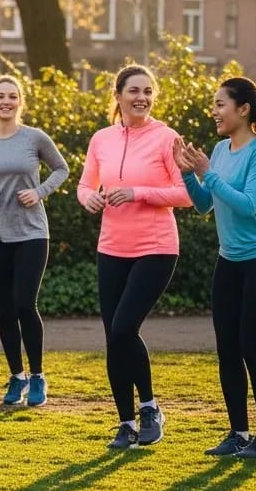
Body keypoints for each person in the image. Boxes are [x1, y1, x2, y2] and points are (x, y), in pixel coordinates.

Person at [174, 77, 256, 460]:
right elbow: (206, 204)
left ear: (244, 109)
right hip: (230, 260)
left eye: (220, 103)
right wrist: (188, 173)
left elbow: (247, 205)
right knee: (227, 349)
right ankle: (238, 434)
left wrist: (207, 172)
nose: (214, 111)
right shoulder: (220, 150)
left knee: (252, 347)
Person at [77, 64, 191, 449]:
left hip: (156, 246)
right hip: (112, 246)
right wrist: (89, 197)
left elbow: (184, 193)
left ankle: (150, 408)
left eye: (147, 91)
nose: (141, 97)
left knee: (124, 327)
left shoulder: (166, 137)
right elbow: (84, 184)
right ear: (119, 95)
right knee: (114, 336)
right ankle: (125, 423)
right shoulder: (102, 139)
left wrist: (138, 192)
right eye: (134, 91)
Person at [0, 76, 69, 406]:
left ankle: (37, 376)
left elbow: (61, 169)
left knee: (24, 303)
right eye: (0, 96)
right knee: (5, 309)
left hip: (32, 232)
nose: (6, 101)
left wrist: (39, 191)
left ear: (20, 102)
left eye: (12, 96)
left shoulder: (34, 137)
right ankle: (16, 376)